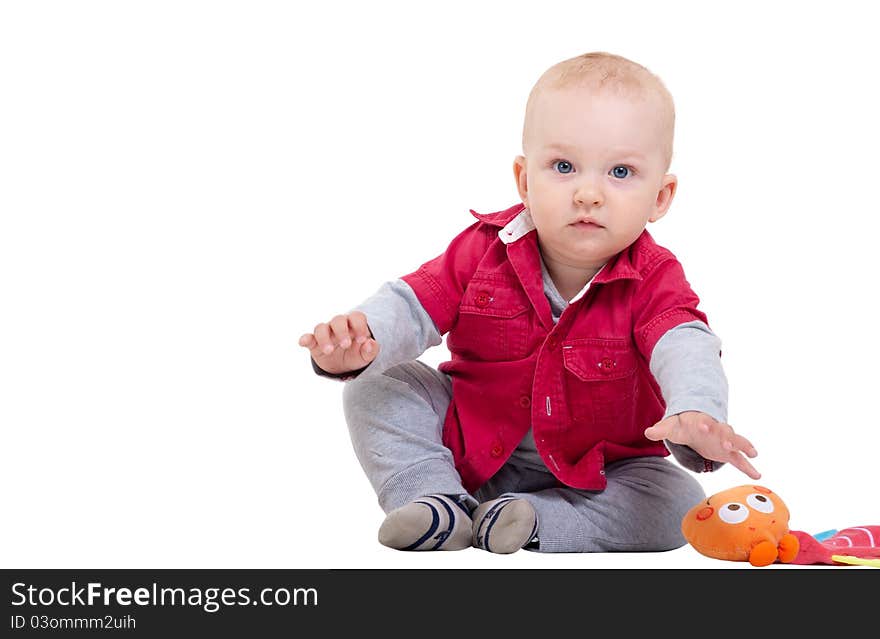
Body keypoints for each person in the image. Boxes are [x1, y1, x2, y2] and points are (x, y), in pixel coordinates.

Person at [298, 51, 759, 554]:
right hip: (468, 450)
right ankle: (434, 501)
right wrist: (363, 341)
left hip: (600, 474)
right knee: (374, 383)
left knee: (679, 503)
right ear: (524, 179)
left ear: (661, 197)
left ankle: (535, 520)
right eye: (564, 167)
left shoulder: (655, 278)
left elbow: (684, 342)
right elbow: (412, 303)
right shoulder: (483, 248)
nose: (588, 193)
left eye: (621, 172)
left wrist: (696, 413)